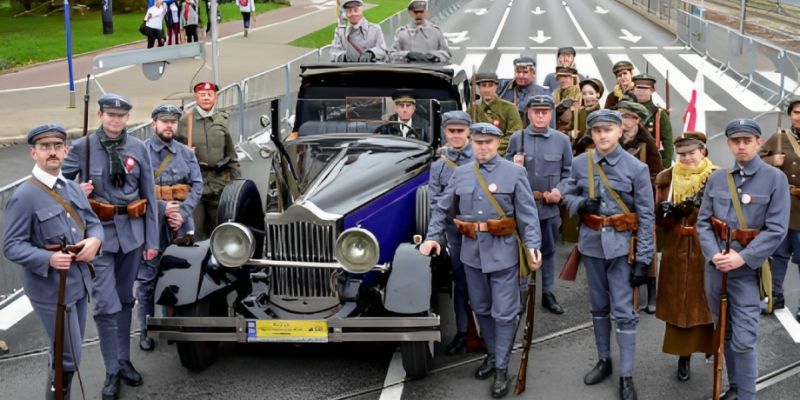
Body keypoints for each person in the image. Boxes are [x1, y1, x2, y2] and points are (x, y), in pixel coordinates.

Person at [420, 122, 542, 398]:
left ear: (498, 143)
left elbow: (527, 213)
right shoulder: (462, 174)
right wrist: (432, 237)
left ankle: (501, 367)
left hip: (503, 252)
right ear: (471, 143)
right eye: (478, 142)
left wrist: (533, 244)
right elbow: (442, 208)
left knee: (505, 312)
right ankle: (491, 353)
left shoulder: (514, 172)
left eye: (488, 142)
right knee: (482, 308)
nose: (483, 147)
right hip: (472, 253)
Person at [62, 94, 159, 400]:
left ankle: (124, 358)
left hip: (132, 233)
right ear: (101, 115)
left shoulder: (138, 148)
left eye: (122, 116)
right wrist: (76, 189)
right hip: (98, 236)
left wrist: (152, 241)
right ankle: (111, 370)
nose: (116, 120)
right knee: (106, 305)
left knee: (125, 300)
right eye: (110, 115)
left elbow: (150, 198)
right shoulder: (84, 147)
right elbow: (57, 188)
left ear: (127, 118)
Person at [559, 109, 655, 400]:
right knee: (598, 307)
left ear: (619, 132)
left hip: (623, 248)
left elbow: (647, 216)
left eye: (608, 130)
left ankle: (626, 375)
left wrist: (644, 259)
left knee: (625, 313)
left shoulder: (635, 169)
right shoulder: (580, 163)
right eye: (597, 131)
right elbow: (566, 192)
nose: (602, 135)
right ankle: (604, 360)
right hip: (591, 245)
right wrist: (579, 204)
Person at [3, 124, 103, 400]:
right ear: (33, 153)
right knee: (68, 357)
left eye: (57, 147)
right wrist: (48, 258)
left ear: (65, 151)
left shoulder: (71, 188)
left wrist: (95, 241)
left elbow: (93, 223)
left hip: (78, 282)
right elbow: (11, 246)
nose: (52, 152)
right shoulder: (24, 196)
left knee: (64, 351)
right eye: (45, 147)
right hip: (50, 289)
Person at [697, 118, 789, 400]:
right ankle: (735, 388)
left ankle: (747, 395)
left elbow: (776, 230)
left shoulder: (775, 179)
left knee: (745, 338)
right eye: (736, 141)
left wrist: (742, 257)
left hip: (747, 271)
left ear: (758, 143)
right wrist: (714, 254)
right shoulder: (717, 178)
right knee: (723, 330)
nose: (741, 146)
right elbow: (703, 222)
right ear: (728, 144)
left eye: (747, 140)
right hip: (716, 270)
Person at [136, 104, 203, 351]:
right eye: (164, 121)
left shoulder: (186, 153)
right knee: (147, 279)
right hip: (151, 224)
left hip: (181, 224)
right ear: (153, 124)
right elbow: (135, 190)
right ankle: (145, 329)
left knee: (179, 275)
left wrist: (182, 213)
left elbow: (197, 186)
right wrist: (166, 208)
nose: (169, 126)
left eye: (173, 121)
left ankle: (169, 323)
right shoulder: (141, 152)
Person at [654, 131, 717, 382]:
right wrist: (664, 213)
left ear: (703, 151)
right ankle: (684, 356)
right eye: (682, 154)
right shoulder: (665, 178)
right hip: (676, 247)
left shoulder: (717, 177)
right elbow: (656, 220)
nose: (687, 158)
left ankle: (711, 348)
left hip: (706, 247)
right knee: (679, 303)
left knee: (706, 300)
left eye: (692, 152)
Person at [505, 95, 572, 315]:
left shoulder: (562, 140)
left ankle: (548, 293)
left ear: (551, 114)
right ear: (529, 114)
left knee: (549, 251)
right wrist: (513, 163)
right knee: (521, 250)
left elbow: (569, 173)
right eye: (536, 112)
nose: (541, 115)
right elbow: (503, 170)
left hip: (548, 206)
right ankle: (521, 293)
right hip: (522, 207)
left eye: (545, 111)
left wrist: (559, 191)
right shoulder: (518, 138)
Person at [427, 111, 474, 355]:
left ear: (469, 131)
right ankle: (464, 331)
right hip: (454, 234)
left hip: (481, 234)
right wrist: (433, 237)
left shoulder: (481, 158)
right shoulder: (438, 167)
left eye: (460, 131)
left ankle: (488, 333)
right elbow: (436, 204)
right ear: (445, 132)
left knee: (485, 285)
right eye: (451, 131)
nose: (456, 135)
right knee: (460, 283)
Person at [177, 82, 241, 239]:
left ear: (215, 97)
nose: (206, 97)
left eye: (209, 94)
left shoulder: (221, 119)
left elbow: (230, 152)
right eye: (202, 94)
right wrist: (184, 154)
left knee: (220, 226)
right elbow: (170, 151)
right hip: (194, 182)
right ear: (196, 97)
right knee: (196, 229)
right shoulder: (184, 121)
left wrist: (238, 181)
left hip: (218, 181)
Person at [760, 97, 800, 319]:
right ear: (790, 115)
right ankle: (775, 295)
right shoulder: (779, 137)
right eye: (796, 112)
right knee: (779, 253)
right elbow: (756, 160)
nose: (799, 116)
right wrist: (771, 161)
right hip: (782, 205)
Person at [467, 72, 524, 155]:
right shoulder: (473, 108)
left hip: (503, 154)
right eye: (483, 85)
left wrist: (493, 147)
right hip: (478, 154)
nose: (487, 90)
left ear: (496, 87)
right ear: (479, 88)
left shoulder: (509, 108)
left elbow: (515, 134)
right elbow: (468, 132)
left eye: (490, 85)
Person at [632, 74, 673, 169]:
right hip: (629, 158)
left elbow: (668, 141)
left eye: (646, 89)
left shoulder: (659, 113)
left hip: (651, 160)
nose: (641, 91)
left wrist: (665, 165)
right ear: (633, 89)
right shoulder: (626, 110)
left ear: (652, 90)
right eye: (639, 88)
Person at [497, 56, 548, 123]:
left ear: (533, 73)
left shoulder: (542, 93)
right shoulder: (504, 88)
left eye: (525, 72)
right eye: (518, 72)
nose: (521, 75)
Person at [571, 78, 604, 155]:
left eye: (591, 93)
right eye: (584, 94)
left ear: (598, 94)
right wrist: (571, 133)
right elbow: (568, 128)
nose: (587, 97)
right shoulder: (578, 113)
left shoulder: (602, 114)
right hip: (579, 152)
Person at [553, 67, 582, 133]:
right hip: (556, 129)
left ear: (573, 79)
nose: (562, 80)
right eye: (560, 78)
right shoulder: (555, 93)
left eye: (566, 77)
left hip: (573, 129)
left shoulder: (579, 93)